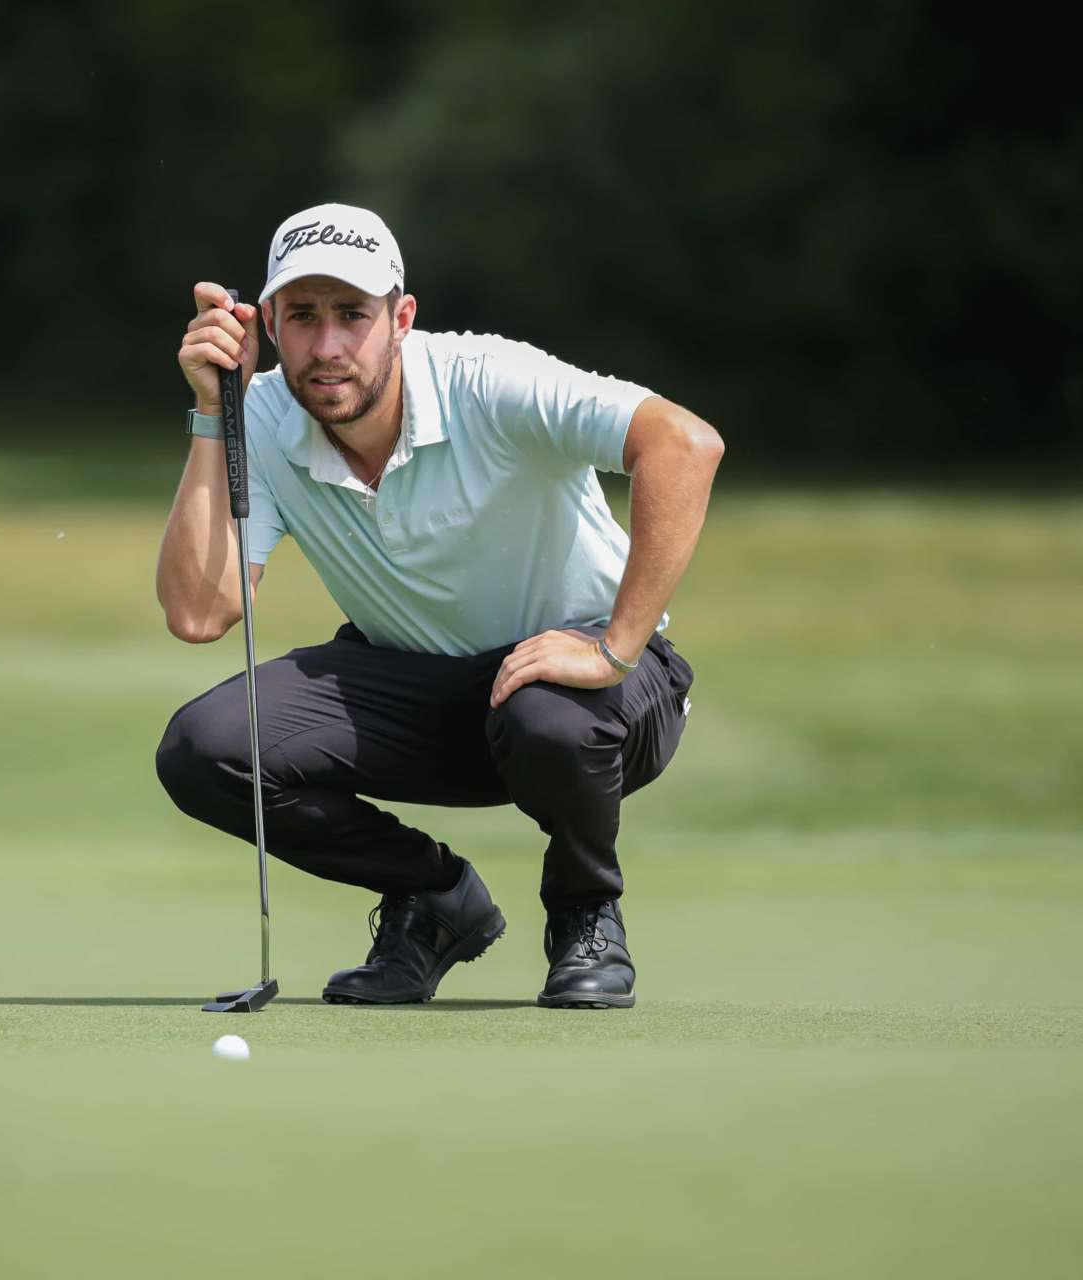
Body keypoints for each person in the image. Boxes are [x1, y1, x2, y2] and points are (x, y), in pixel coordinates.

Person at [154, 203, 723, 1009]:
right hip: (414, 690)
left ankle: (586, 915)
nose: (328, 347)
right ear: (269, 325)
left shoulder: (488, 379)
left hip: (596, 696)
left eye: (353, 315)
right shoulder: (266, 413)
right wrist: (216, 415)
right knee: (205, 749)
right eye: (303, 317)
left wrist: (615, 647)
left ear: (401, 318)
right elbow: (199, 614)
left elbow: (683, 444)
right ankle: (434, 898)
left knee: (548, 717)